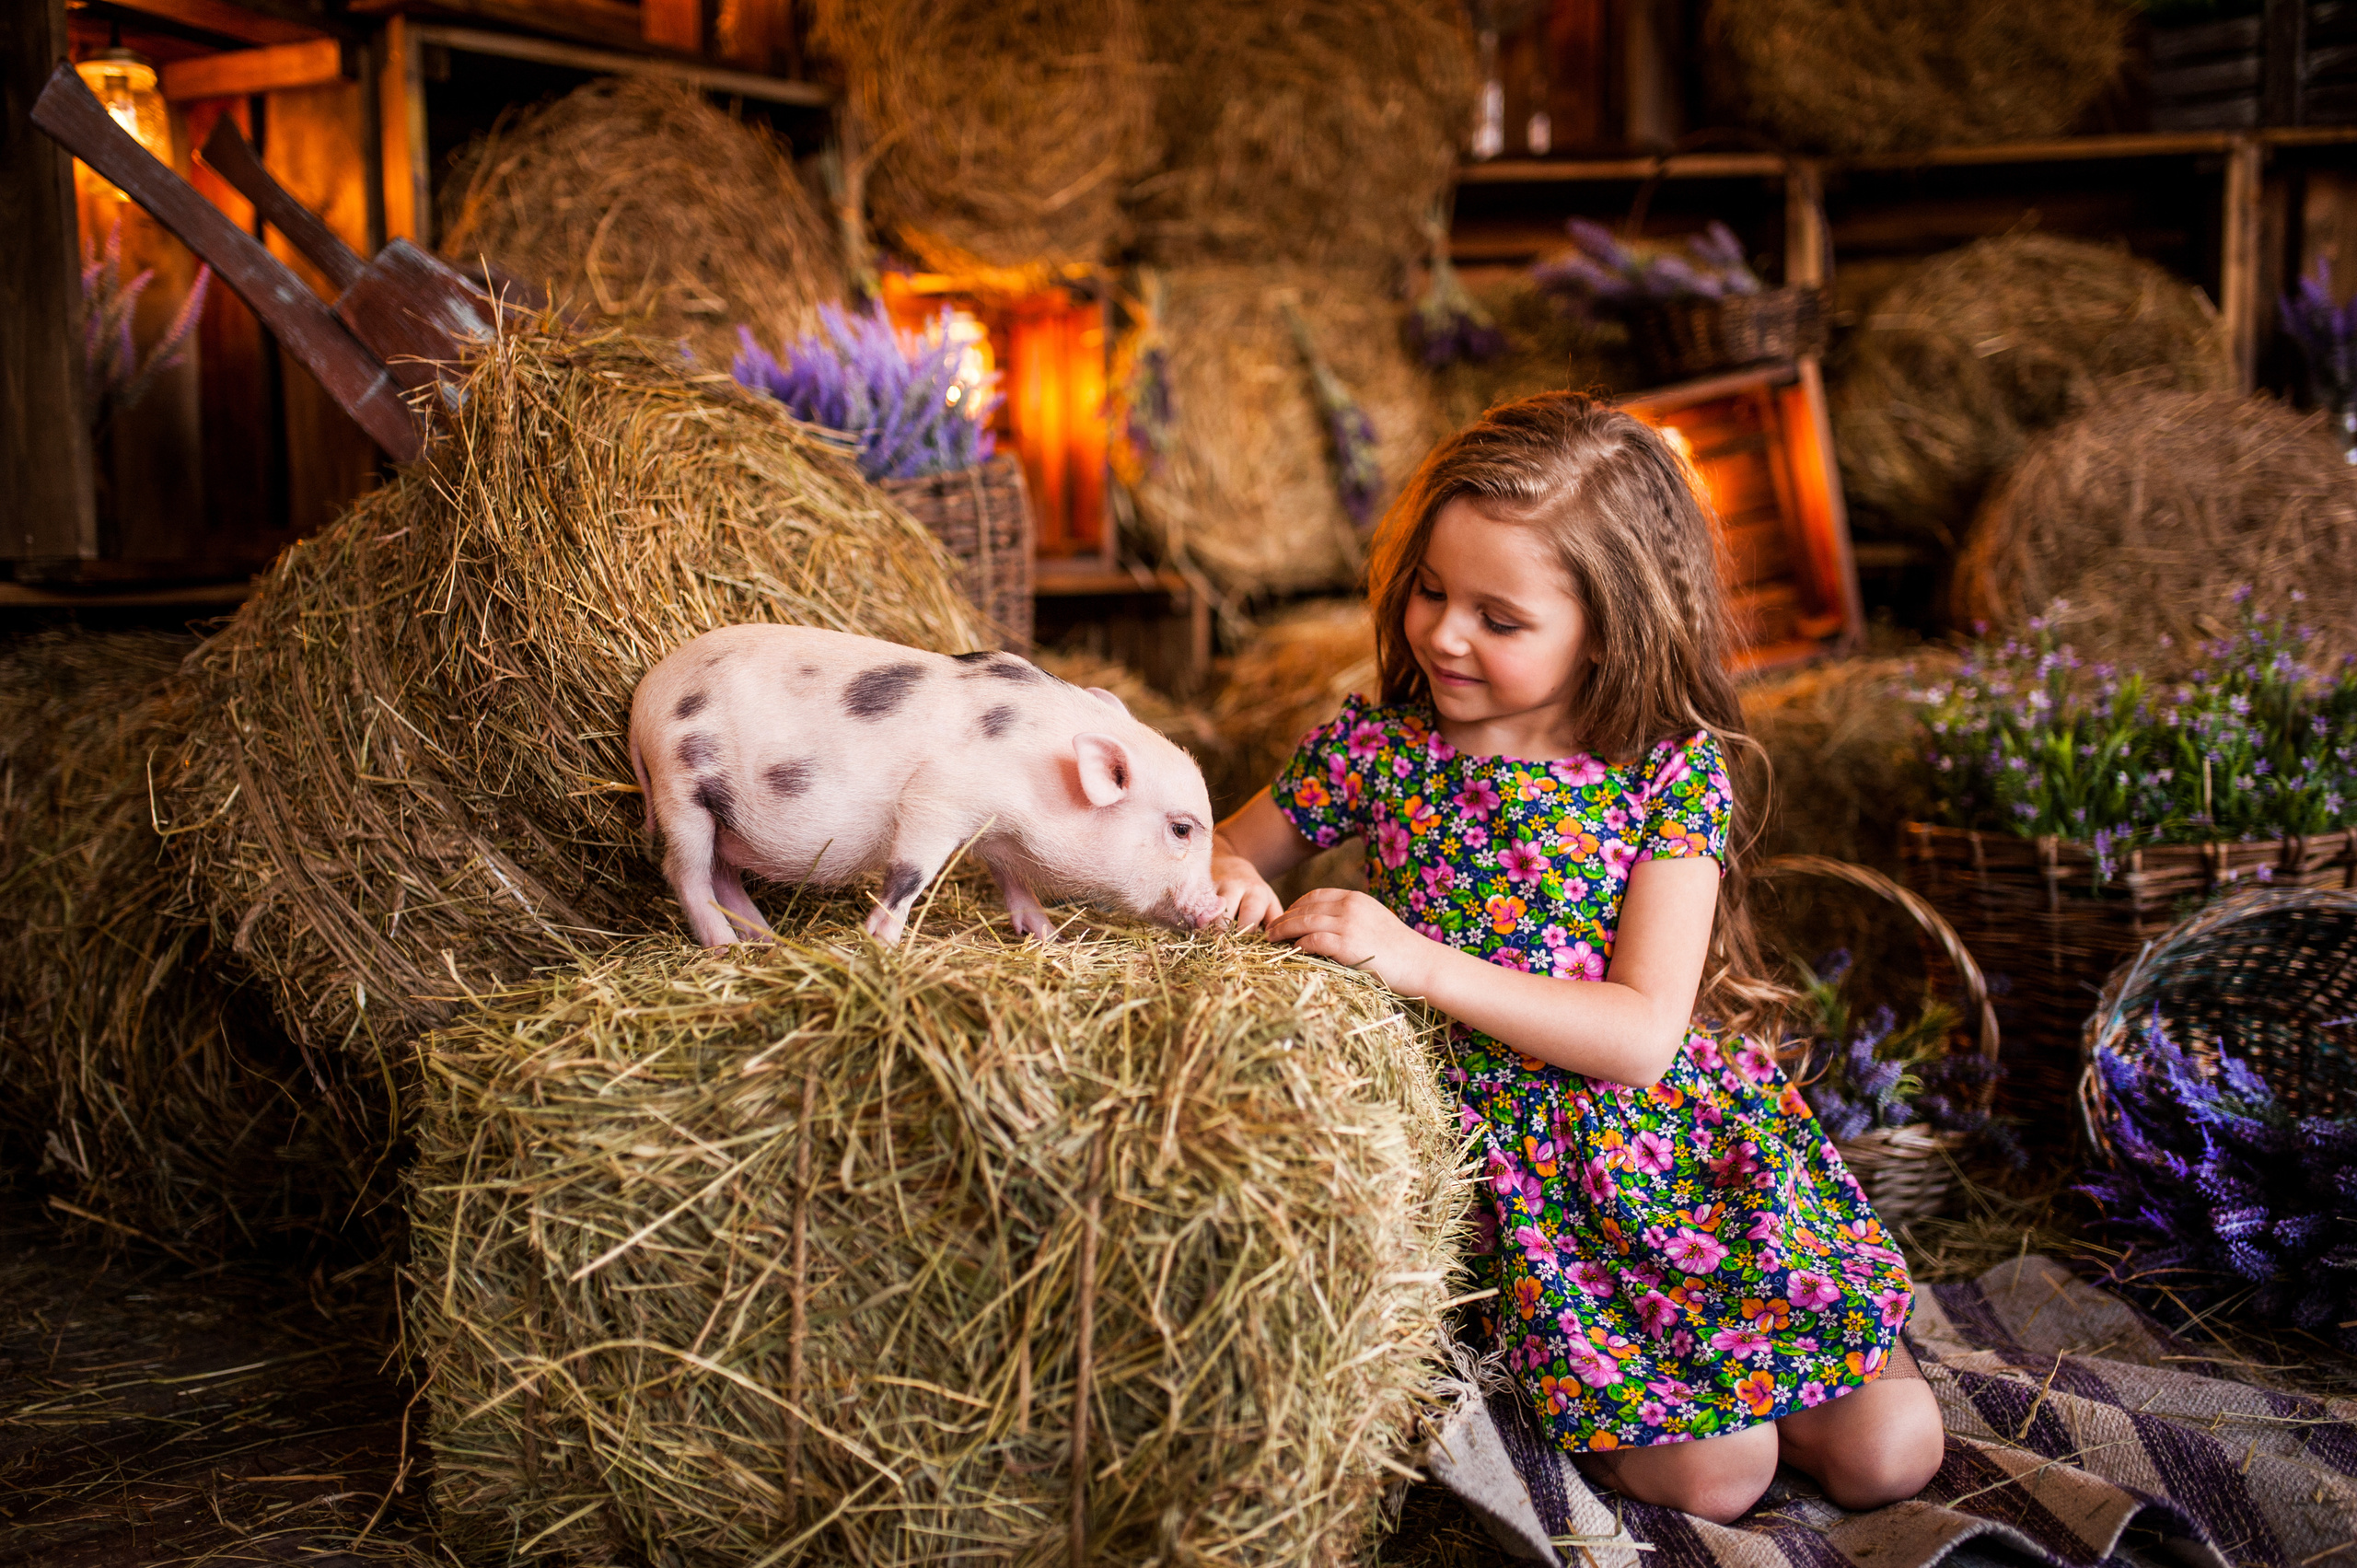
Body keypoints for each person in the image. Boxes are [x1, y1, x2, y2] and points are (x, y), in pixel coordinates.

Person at [1211, 392, 1945, 1524]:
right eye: (1431, 590)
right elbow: (1210, 853)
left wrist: (1413, 957)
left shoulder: (1667, 774)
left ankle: (1760, 1371)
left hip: (1670, 1156)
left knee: (1892, 1451)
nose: (1445, 633)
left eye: (1498, 618)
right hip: (1509, 1171)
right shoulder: (1374, 749)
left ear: (1609, 626)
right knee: (1721, 1472)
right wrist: (1242, 888)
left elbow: (1642, 1032)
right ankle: (1635, 1400)